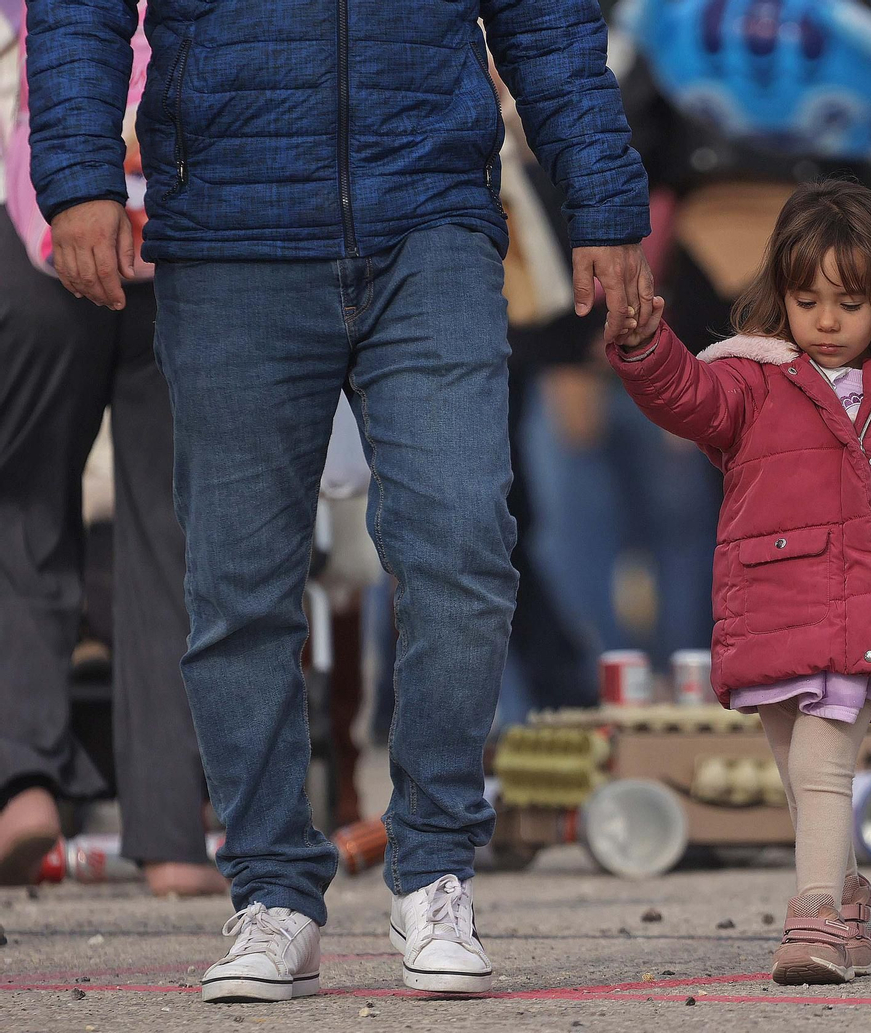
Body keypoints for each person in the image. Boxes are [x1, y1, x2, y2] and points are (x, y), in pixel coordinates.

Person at [26, 0, 652, 1001]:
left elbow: (544, 18)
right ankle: (272, 891)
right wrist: (76, 175)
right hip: (229, 224)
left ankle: (435, 869)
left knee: (462, 548)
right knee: (239, 586)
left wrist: (605, 203)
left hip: (431, 217)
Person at [607, 181, 871, 984]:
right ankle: (848, 899)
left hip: (867, 617)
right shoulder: (755, 379)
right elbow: (686, 395)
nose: (826, 320)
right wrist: (648, 345)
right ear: (780, 294)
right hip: (772, 611)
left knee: (822, 767)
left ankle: (815, 915)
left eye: (849, 302)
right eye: (807, 299)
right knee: (799, 774)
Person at [0, 2, 223, 897]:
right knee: (172, 534)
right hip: (181, 233)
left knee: (21, 511)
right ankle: (173, 834)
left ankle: (20, 778)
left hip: (45, 230)